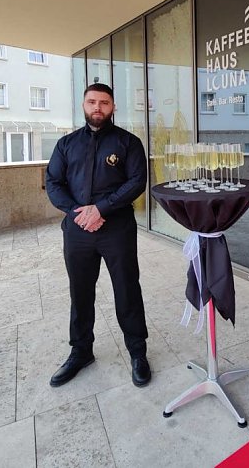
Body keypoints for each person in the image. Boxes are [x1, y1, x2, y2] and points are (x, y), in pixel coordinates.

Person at [45, 83, 151, 388]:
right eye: (92, 102)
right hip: (77, 230)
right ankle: (80, 351)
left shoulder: (129, 143)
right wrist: (79, 213)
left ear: (113, 107)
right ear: (83, 105)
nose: (98, 108)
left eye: (104, 103)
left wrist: (101, 209)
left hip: (116, 229)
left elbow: (136, 181)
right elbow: (53, 182)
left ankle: (137, 352)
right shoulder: (66, 145)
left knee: (127, 289)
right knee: (80, 292)